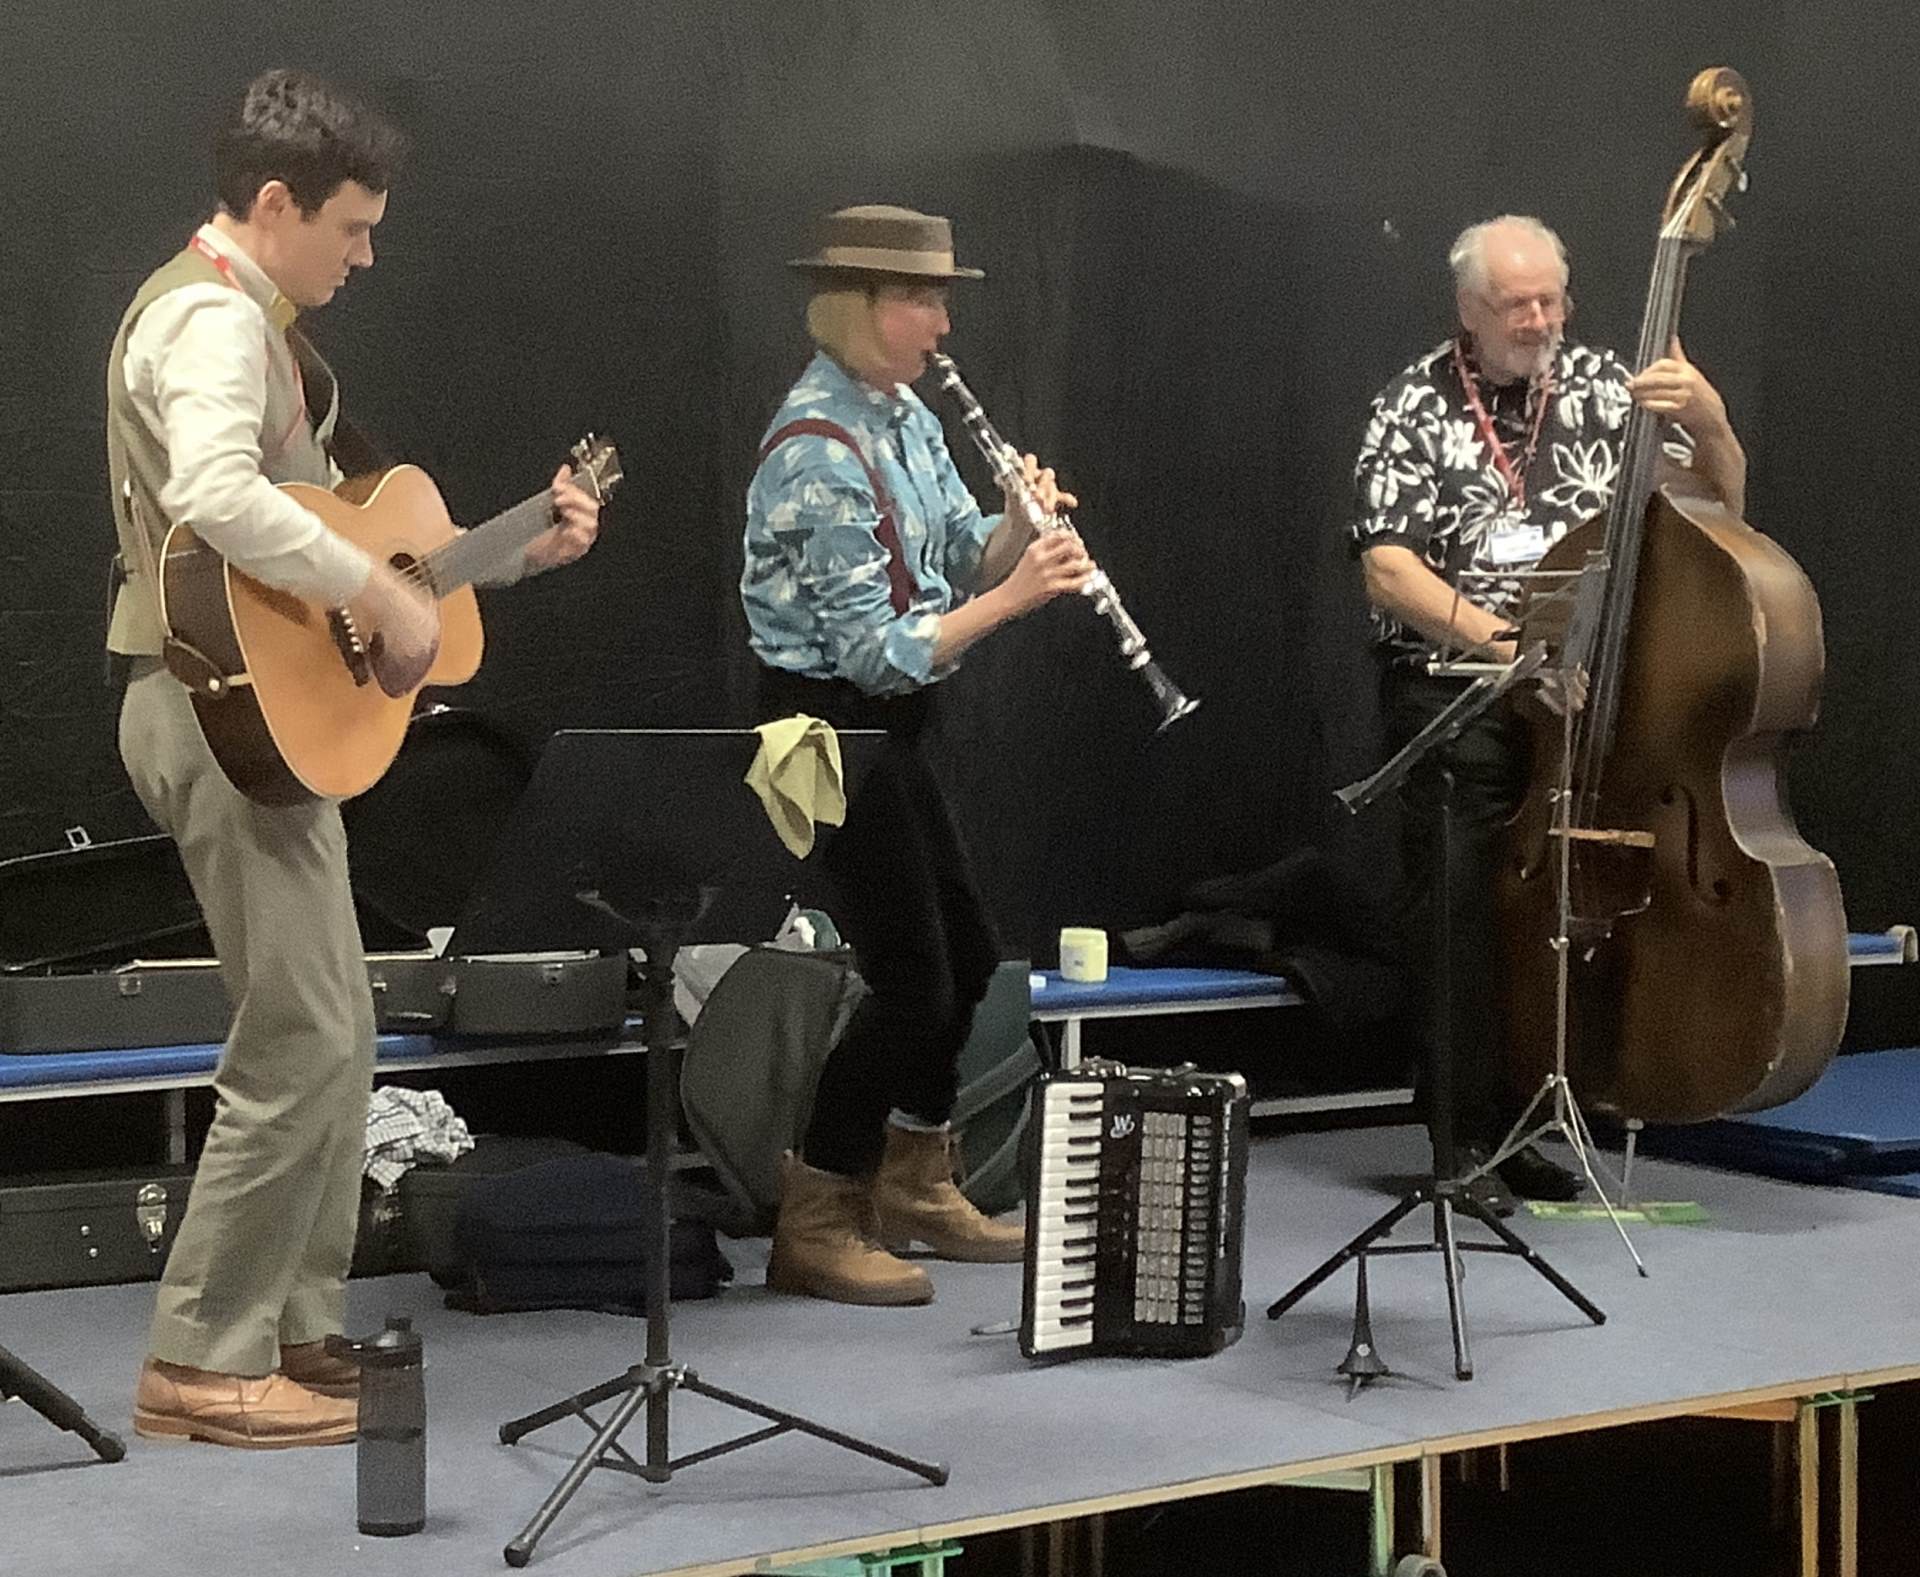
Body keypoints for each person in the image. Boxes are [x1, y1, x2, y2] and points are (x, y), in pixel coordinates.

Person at [109, 69, 602, 1447]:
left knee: (334, 1035)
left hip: (258, 716)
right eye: (352, 227)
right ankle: (201, 1356)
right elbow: (217, 496)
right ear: (277, 203)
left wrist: (506, 555)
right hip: (211, 710)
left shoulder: (262, 331)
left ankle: (293, 1324)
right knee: (302, 1036)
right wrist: (376, 589)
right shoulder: (211, 320)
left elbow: (352, 563)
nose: (367, 256)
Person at [1350, 214, 1747, 1208]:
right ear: (1467, 309)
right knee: (1462, 917)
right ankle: (1462, 1144)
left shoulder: (1612, 391)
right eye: (1512, 305)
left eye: (1548, 301)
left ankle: (1528, 1117)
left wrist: (1710, 420)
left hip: (1586, 699)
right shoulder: (1411, 405)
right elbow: (1387, 568)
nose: (1536, 320)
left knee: (1543, 920)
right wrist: (1507, 646)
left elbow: (1723, 511)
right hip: (1462, 689)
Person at [741, 204, 1091, 1305]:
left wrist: (1016, 524)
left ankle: (916, 1178)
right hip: (822, 729)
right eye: (922, 299)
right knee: (911, 982)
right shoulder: (816, 451)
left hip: (886, 724)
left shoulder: (903, 415)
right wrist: (1018, 594)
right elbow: (875, 651)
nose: (942, 322)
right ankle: (817, 1211)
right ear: (860, 305)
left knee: (970, 954)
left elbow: (956, 552)